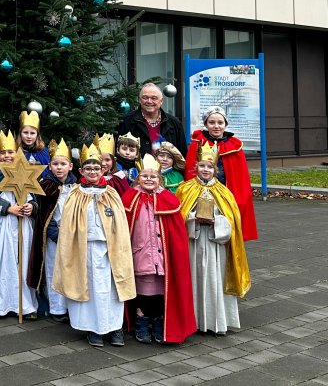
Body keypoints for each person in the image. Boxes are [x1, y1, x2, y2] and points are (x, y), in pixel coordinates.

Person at [52, 143, 134, 348]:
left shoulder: (112, 193)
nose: (92, 172)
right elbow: (67, 226)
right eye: (88, 168)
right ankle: (93, 329)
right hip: (84, 250)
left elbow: (121, 224)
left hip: (110, 251)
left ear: (103, 169)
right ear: (80, 171)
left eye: (96, 168)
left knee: (111, 290)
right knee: (88, 289)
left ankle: (114, 328)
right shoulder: (74, 194)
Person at [176, 142, 250, 334]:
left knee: (215, 279)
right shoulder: (185, 189)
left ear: (215, 169)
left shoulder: (224, 192)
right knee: (194, 279)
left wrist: (216, 223)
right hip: (194, 242)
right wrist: (193, 219)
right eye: (202, 166)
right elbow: (178, 217)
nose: (205, 169)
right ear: (196, 168)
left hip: (216, 244)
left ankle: (216, 322)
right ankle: (194, 322)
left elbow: (233, 221)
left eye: (210, 166)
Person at [121, 154, 195, 344]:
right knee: (143, 291)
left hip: (162, 258)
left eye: (153, 177)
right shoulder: (130, 198)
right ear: (138, 178)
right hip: (140, 254)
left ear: (160, 179)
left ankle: (158, 322)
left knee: (162, 291)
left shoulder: (168, 199)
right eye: (144, 176)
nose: (148, 180)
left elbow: (177, 231)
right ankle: (141, 322)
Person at [0, 131, 38, 319]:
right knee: (3, 265)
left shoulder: (28, 172)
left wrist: (32, 207)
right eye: (3, 153)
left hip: (23, 227)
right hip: (2, 227)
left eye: (11, 152)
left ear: (18, 152)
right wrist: (7, 208)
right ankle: (0, 305)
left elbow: (36, 200)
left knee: (23, 262)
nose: (7, 156)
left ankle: (26, 306)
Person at [183, 106, 258, 241]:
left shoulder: (235, 147)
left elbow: (241, 179)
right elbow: (190, 171)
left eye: (220, 122)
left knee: (226, 229)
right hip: (202, 194)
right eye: (211, 122)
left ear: (226, 124)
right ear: (205, 124)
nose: (216, 126)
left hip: (226, 195)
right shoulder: (197, 144)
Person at [32, 139, 77, 322]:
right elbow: (44, 214)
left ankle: (72, 307)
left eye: (63, 164)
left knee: (72, 270)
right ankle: (57, 308)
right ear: (49, 166)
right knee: (53, 270)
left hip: (72, 237)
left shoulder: (76, 187)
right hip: (54, 238)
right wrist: (55, 234)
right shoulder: (46, 186)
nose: (59, 168)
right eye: (55, 164)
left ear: (71, 166)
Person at [116, 83, 187, 157]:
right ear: (139, 100)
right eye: (145, 98)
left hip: (167, 168)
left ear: (161, 101)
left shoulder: (174, 123)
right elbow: (117, 153)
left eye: (154, 98)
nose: (149, 101)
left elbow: (182, 155)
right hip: (134, 168)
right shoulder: (125, 122)